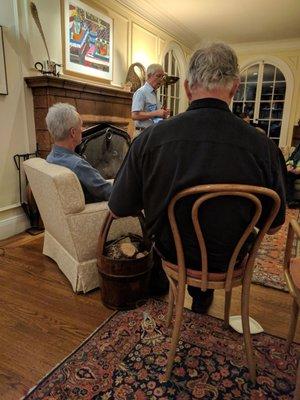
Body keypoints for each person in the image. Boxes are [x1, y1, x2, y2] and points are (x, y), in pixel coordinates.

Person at [108, 42, 286, 313]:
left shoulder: (150, 141)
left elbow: (119, 208)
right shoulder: (266, 149)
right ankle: (200, 296)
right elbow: (273, 227)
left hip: (173, 253)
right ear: (235, 87)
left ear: (188, 88)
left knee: (161, 227)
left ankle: (166, 287)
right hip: (231, 258)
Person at [46, 103, 112, 203]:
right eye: (81, 126)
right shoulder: (77, 165)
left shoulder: (51, 157)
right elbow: (108, 192)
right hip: (97, 210)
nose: (83, 129)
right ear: (73, 132)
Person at [131, 63, 170, 136]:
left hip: (152, 133)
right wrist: (156, 113)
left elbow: (154, 116)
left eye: (162, 77)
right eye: (158, 76)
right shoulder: (141, 92)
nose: (161, 80)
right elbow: (134, 115)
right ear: (149, 76)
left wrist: (163, 114)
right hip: (142, 134)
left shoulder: (154, 94)